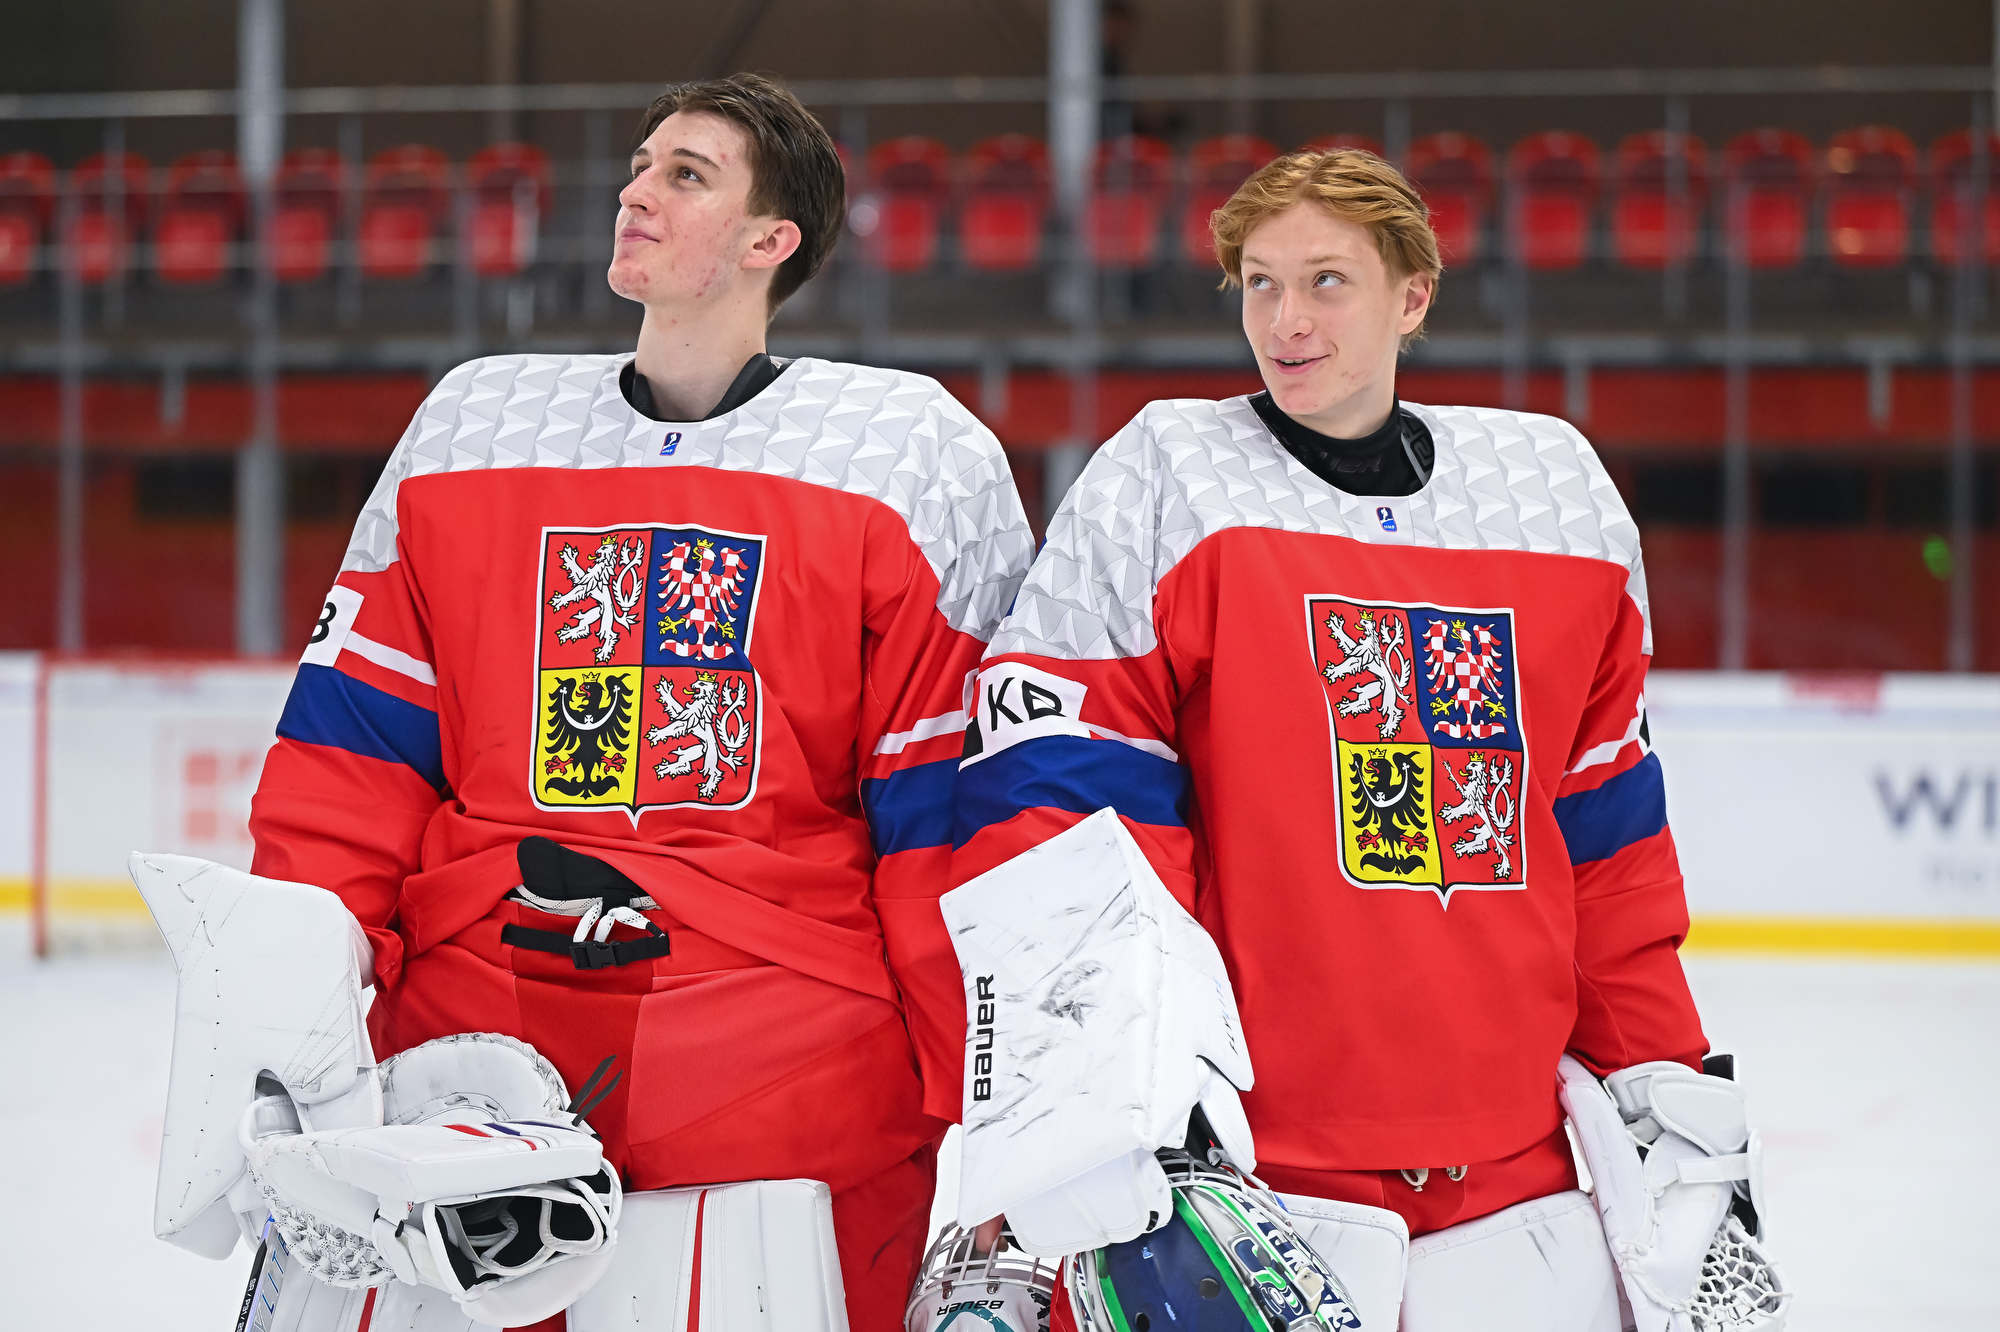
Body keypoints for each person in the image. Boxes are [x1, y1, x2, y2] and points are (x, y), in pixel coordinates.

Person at [946, 148, 1782, 1331]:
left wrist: (1664, 1081)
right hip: (1249, 1182)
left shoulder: (1555, 497)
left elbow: (1604, 842)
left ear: (1412, 297)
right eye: (1259, 283)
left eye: (1325, 281)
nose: (1284, 320)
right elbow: (1064, 808)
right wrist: (1094, 1107)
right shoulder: (1167, 476)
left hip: (1519, 1185)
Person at [248, 72, 1033, 1329]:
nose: (635, 192)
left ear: (770, 241)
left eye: (686, 174)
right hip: (466, 1070)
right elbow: (354, 761)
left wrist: (991, 1115)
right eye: (638, 165)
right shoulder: (473, 426)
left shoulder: (906, 458)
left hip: (781, 1085)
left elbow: (944, 817)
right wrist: (285, 1038)